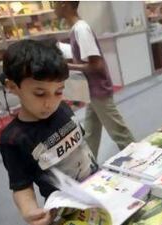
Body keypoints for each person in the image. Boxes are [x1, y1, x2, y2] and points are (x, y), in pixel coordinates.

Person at [0, 40, 99, 225]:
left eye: (59, 91)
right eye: (40, 93)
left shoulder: (63, 109)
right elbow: (21, 186)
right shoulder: (13, 139)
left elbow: (82, 145)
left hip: (97, 187)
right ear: (13, 87)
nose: (50, 102)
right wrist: (30, 210)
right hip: (66, 209)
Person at [54, 1, 135, 158]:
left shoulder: (81, 29)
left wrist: (68, 66)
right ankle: (89, 167)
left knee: (120, 133)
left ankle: (141, 162)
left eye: (55, 2)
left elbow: (97, 65)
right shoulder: (76, 29)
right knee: (91, 133)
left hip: (98, 90)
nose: (53, 7)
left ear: (64, 4)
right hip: (92, 90)